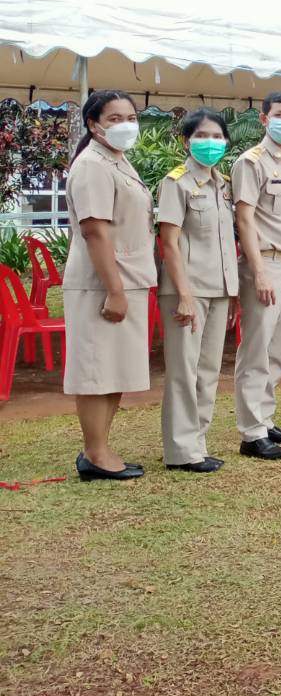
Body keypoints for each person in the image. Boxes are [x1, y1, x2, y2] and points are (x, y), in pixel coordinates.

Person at [61, 90, 155, 481]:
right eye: (114, 118)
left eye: (130, 116)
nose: (125, 124)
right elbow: (95, 231)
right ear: (93, 124)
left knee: (113, 370)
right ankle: (95, 453)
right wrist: (114, 290)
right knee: (97, 371)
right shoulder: (92, 165)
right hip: (103, 283)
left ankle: (100, 447)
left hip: (126, 279)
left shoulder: (116, 161)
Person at [157, 109, 237, 473]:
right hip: (186, 290)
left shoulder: (222, 184)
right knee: (183, 370)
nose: (211, 143)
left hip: (218, 289)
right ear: (186, 141)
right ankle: (180, 450)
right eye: (202, 136)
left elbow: (223, 242)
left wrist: (231, 291)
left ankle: (197, 444)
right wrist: (184, 293)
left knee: (207, 370)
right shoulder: (176, 182)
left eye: (217, 136)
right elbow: (169, 242)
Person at [232, 91, 281, 461]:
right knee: (256, 349)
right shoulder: (252, 162)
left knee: (278, 349)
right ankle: (251, 432)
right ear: (264, 119)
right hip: (265, 264)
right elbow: (244, 218)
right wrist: (258, 271)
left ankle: (265, 418)